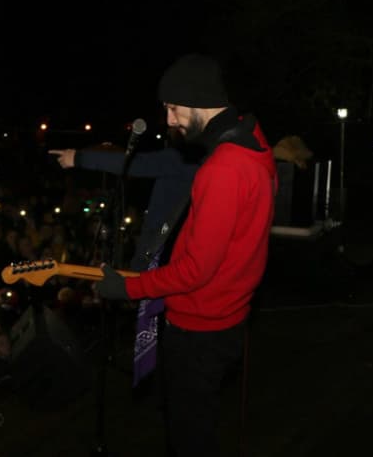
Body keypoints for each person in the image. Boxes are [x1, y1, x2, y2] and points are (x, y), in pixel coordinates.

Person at [94, 54, 276, 456]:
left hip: (199, 331)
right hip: (228, 317)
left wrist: (128, 289)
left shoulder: (224, 168)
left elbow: (195, 271)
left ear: (197, 101)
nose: (170, 120)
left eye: (173, 109)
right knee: (198, 424)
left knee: (189, 437)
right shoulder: (254, 140)